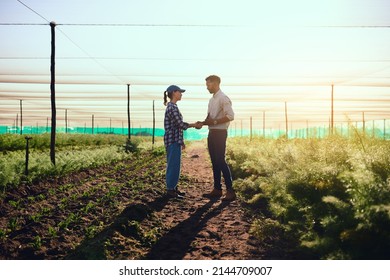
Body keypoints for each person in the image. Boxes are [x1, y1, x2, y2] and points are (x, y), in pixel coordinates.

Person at [199, 75, 236, 201]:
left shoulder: (223, 98)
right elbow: (210, 117)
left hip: (220, 133)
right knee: (214, 161)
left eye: (208, 85)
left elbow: (230, 116)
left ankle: (230, 191)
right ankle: (217, 189)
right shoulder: (211, 100)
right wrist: (202, 123)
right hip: (212, 133)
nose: (207, 87)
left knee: (220, 160)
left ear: (215, 83)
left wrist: (214, 122)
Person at [164, 85, 201, 199]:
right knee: (173, 165)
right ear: (174, 93)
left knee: (175, 164)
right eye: (180, 92)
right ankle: (170, 190)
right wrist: (194, 125)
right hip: (173, 140)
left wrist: (182, 141)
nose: (181, 94)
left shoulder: (173, 106)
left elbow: (177, 126)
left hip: (175, 140)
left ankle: (173, 188)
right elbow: (180, 124)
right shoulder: (172, 107)